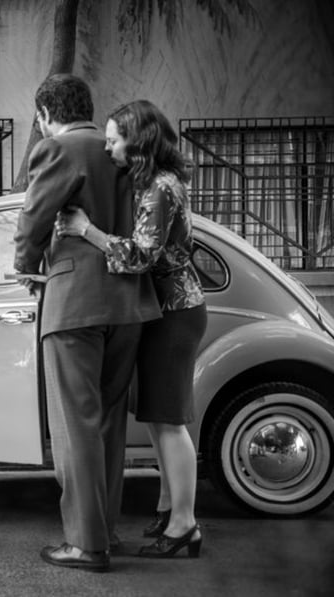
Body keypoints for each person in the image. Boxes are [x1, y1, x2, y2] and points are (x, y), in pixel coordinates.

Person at [13, 74, 161, 572]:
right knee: (108, 425)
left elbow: (34, 220)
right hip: (130, 305)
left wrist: (26, 265)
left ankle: (85, 544)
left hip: (76, 301)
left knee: (76, 426)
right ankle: (106, 532)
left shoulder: (58, 148)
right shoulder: (123, 147)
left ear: (43, 115)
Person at [55, 99, 207, 559]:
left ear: (137, 140)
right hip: (165, 310)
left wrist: (87, 230)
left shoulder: (159, 188)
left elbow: (141, 256)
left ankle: (184, 526)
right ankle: (168, 510)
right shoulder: (161, 182)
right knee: (160, 417)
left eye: (114, 137)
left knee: (168, 420)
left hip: (174, 312)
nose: (107, 145)